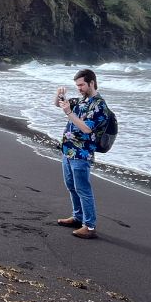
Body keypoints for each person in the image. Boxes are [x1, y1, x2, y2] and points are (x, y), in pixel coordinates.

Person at [54, 68, 110, 239]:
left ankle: (90, 226)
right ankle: (78, 218)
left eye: (81, 85)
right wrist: (59, 95)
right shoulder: (82, 101)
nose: (79, 88)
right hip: (68, 150)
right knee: (71, 186)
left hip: (82, 153)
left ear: (91, 83)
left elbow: (87, 128)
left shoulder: (99, 105)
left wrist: (69, 113)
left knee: (83, 189)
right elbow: (58, 104)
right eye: (77, 85)